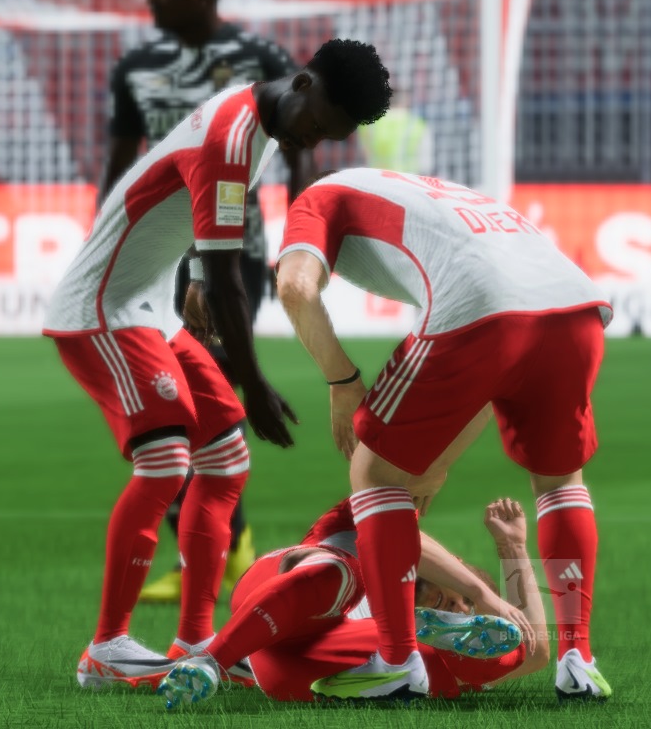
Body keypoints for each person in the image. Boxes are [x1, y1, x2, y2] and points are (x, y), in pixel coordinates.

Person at [45, 37, 393, 687]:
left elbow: (199, 215)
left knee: (225, 459)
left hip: (150, 308)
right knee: (165, 461)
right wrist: (253, 381)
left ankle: (195, 639)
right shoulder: (234, 138)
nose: (314, 141)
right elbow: (234, 277)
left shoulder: (256, 121)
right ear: (302, 84)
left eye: (329, 137)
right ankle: (106, 649)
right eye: (318, 124)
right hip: (102, 307)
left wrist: (198, 277)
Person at [275, 168, 612, 701]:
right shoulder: (437, 193)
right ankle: (579, 660)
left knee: (373, 472)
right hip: (578, 308)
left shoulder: (316, 200)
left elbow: (294, 287)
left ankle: (396, 660)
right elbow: (489, 376)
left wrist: (342, 381)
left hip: (481, 306)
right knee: (561, 483)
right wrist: (438, 460)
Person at [101, 0, 317, 605]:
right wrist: (106, 249)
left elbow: (300, 153)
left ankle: (222, 545)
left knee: (206, 395)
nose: (151, 0)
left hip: (232, 258)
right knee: (166, 401)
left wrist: (302, 238)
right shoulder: (136, 68)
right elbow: (121, 166)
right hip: (153, 260)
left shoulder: (261, 59)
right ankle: (220, 545)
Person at [158, 493, 548, 707]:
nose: (460, 607)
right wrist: (480, 591)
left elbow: (537, 653)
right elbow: (386, 518)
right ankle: (403, 646)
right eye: (458, 599)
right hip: (289, 600)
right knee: (338, 566)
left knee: (500, 654)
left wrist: (513, 547)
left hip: (297, 668)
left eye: (467, 611)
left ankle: (210, 661)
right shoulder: (377, 555)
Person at [357, 87, 435, 174]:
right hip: (406, 177)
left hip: (375, 176)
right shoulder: (417, 124)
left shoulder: (369, 123)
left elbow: (363, 153)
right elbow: (425, 164)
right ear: (407, 100)